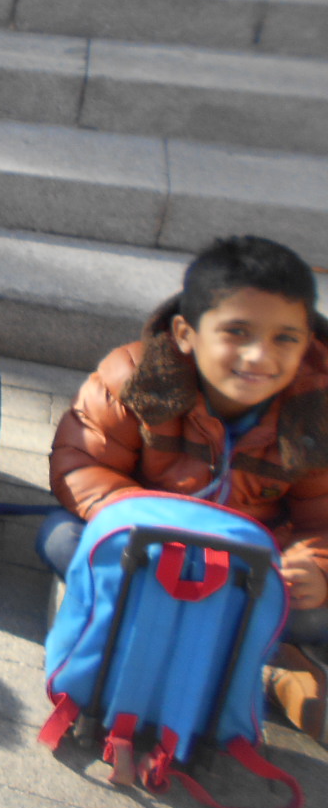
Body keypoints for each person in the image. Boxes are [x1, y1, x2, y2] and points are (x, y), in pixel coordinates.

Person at [46, 234, 328, 744]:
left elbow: (322, 521)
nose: (259, 356)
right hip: (145, 550)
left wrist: (316, 566)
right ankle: (249, 656)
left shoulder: (317, 410)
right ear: (185, 333)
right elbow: (81, 465)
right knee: (60, 538)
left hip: (246, 574)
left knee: (314, 613)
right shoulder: (135, 377)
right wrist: (139, 523)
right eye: (237, 332)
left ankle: (268, 659)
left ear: (307, 342)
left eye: (286, 338)